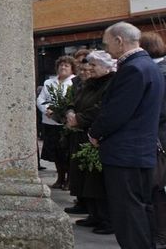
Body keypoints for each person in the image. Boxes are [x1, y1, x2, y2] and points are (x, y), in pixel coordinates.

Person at [89, 22, 164, 248]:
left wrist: (95, 133)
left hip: (126, 154)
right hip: (141, 152)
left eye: (107, 43)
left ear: (119, 41)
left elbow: (117, 112)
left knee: (128, 214)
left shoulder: (133, 69)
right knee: (141, 209)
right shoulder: (149, 66)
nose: (106, 48)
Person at [65, 50, 116, 235]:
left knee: (97, 181)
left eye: (94, 66)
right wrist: (70, 113)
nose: (89, 69)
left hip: (96, 135)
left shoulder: (111, 83)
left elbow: (102, 108)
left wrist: (80, 118)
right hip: (81, 132)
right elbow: (75, 101)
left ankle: (106, 219)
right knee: (85, 178)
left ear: (105, 67)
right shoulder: (89, 84)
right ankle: (94, 214)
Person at [141, 31, 166, 247]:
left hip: (159, 136)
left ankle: (160, 232)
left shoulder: (155, 72)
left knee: (158, 187)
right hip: (158, 134)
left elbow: (159, 110)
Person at [36, 55, 76, 190]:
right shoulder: (49, 82)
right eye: (61, 65)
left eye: (66, 65)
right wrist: (46, 109)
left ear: (72, 68)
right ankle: (60, 178)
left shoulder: (73, 82)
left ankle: (70, 180)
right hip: (50, 121)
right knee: (56, 153)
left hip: (65, 123)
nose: (63, 67)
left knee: (67, 153)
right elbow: (41, 99)